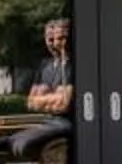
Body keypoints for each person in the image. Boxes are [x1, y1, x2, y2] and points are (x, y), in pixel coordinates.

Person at [7, 18, 73, 156]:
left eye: (62, 38)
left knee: (23, 146)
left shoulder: (73, 66)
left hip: (67, 124)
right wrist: (53, 97)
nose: (56, 44)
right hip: (50, 121)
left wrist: (45, 98)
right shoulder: (45, 66)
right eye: (52, 39)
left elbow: (63, 104)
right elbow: (31, 102)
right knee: (6, 142)